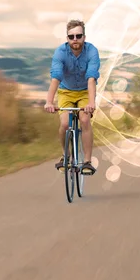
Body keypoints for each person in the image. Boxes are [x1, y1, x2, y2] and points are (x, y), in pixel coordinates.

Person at [44, 19, 100, 175]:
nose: (75, 39)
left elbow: (91, 79)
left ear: (84, 37)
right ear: (67, 38)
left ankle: (87, 162)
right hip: (66, 91)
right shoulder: (60, 53)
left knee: (84, 119)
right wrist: (49, 101)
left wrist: (91, 102)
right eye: (71, 37)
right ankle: (65, 155)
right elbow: (56, 78)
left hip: (84, 91)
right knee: (64, 124)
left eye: (78, 36)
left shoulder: (91, 52)